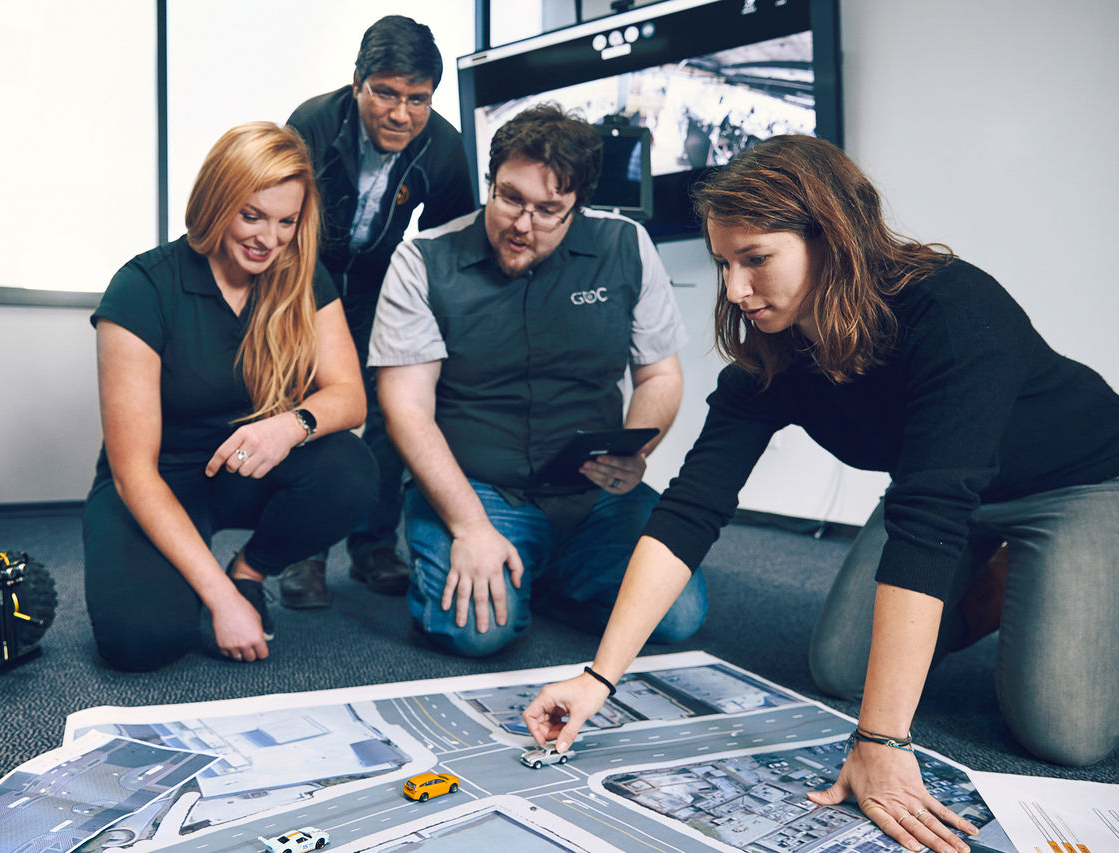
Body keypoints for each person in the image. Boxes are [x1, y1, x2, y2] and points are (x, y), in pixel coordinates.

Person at [522, 135, 1119, 853]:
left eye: (755, 259)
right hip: (943, 492)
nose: (734, 290)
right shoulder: (773, 355)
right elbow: (689, 508)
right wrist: (598, 677)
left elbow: (927, 524)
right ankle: (1001, 583)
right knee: (840, 666)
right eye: (723, 263)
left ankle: (1035, 575)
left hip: (1076, 482)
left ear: (831, 238)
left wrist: (881, 740)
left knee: (1064, 732)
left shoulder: (954, 308)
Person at [369, 104, 709, 658]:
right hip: (478, 489)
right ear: (491, 182)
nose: (522, 225)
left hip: (593, 493)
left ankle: (542, 576)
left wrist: (637, 451)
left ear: (578, 207)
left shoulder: (626, 246)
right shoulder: (422, 260)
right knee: (477, 632)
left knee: (678, 615)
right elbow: (405, 408)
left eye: (549, 210)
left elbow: (660, 375)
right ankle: (519, 568)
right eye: (509, 198)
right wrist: (469, 526)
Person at [82, 122, 378, 672]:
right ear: (217, 201)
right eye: (252, 215)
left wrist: (290, 425)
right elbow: (133, 474)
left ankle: (250, 571)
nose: (270, 239)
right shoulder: (142, 287)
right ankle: (207, 582)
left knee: (352, 468)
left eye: (287, 221)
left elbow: (350, 397)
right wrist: (220, 601)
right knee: (141, 642)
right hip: (159, 480)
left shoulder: (301, 274)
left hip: (246, 469)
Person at [282, 15, 476, 608]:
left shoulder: (444, 148)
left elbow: (447, 246)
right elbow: (283, 224)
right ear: (358, 84)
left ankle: (372, 547)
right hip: (307, 281)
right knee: (313, 409)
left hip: (380, 285)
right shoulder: (311, 125)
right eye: (386, 94)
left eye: (417, 99)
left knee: (391, 409)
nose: (401, 113)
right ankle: (304, 553)